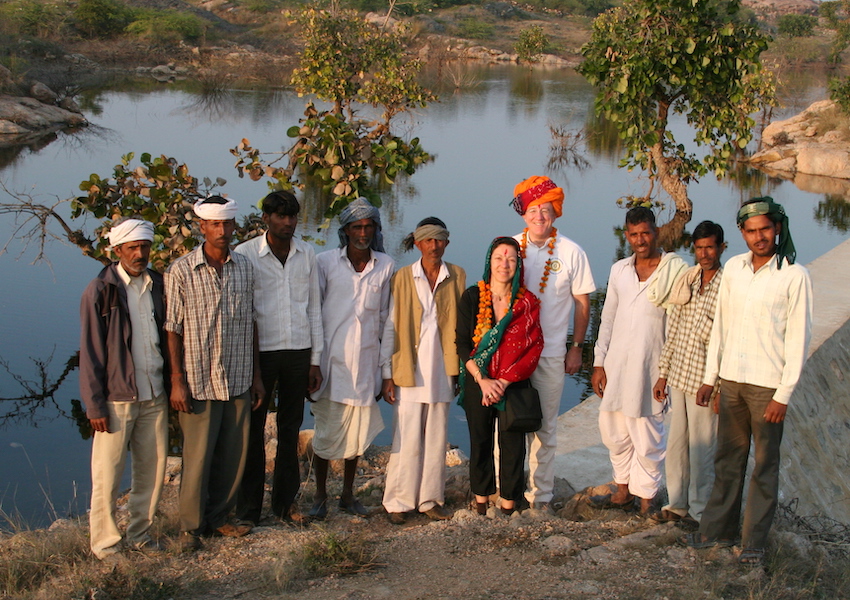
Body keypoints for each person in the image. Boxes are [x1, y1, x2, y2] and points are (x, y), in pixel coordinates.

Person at [684, 197, 812, 567]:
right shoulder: (736, 269)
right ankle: (716, 533)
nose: (759, 237)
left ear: (777, 229)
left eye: (765, 230)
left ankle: (753, 543)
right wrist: (712, 379)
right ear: (742, 233)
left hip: (767, 387)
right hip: (733, 382)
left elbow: (798, 339)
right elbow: (721, 326)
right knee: (728, 460)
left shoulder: (793, 275)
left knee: (764, 466)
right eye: (752, 231)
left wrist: (783, 394)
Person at [165, 196, 265, 552]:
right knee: (197, 458)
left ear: (234, 226)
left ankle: (220, 517)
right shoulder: (181, 270)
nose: (222, 231)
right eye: (215, 225)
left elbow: (252, 322)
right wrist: (177, 379)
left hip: (237, 376)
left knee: (233, 455)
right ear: (202, 227)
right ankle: (191, 527)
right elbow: (172, 328)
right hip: (198, 380)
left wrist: (256, 376)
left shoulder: (244, 267)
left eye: (227, 224)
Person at [79, 218, 168, 559]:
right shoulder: (100, 290)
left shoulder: (157, 284)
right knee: (107, 476)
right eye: (132, 248)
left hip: (154, 393)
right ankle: (105, 544)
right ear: (117, 251)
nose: (140, 253)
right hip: (117, 399)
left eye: (144, 247)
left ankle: (141, 535)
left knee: (153, 470)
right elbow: (90, 353)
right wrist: (94, 406)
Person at [233, 190, 323, 526]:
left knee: (290, 429)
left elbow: (314, 307)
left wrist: (315, 360)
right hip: (260, 355)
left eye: (292, 217)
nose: (287, 223)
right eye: (280, 217)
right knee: (252, 431)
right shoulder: (245, 255)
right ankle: (248, 511)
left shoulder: (307, 254)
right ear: (266, 219)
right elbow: (243, 314)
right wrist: (252, 368)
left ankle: (285, 506)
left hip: (298, 351)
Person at [591, 207, 686, 515]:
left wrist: (665, 373)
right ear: (627, 235)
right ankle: (622, 491)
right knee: (614, 429)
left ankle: (647, 498)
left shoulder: (673, 270)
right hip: (616, 364)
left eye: (645, 233)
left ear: (655, 232)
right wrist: (598, 362)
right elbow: (607, 318)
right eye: (634, 234)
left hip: (651, 367)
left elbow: (677, 324)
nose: (640, 240)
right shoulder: (620, 270)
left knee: (648, 434)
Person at [510, 176, 595, 510]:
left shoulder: (572, 252)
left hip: (552, 353)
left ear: (556, 213)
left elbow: (583, 304)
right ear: (524, 214)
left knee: (546, 426)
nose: (540, 216)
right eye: (533, 209)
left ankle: (541, 496)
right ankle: (509, 491)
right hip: (514, 355)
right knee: (512, 424)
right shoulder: (509, 248)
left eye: (546, 209)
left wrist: (577, 347)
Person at [311, 197, 394, 520]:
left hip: (365, 365)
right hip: (330, 365)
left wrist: (386, 373)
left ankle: (347, 496)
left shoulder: (385, 265)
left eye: (368, 226)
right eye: (357, 227)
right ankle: (319, 495)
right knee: (325, 432)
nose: (363, 232)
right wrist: (313, 363)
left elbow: (387, 321)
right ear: (345, 231)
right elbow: (315, 314)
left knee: (357, 437)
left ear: (375, 229)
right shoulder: (325, 263)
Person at [380, 217, 466, 524]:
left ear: (447, 242)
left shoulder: (456, 275)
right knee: (405, 436)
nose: (434, 246)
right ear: (418, 244)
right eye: (428, 240)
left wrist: (461, 373)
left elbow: (462, 326)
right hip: (408, 370)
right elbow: (390, 326)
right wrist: (386, 373)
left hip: (443, 370)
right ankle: (397, 502)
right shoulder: (403, 277)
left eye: (439, 240)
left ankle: (430, 499)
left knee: (437, 436)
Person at [456, 237, 544, 515]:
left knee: (512, 445)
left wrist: (504, 381)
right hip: (478, 383)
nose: (504, 264)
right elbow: (461, 345)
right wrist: (483, 381)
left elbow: (534, 346)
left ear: (518, 264)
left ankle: (508, 503)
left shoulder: (527, 303)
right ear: (488, 262)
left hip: (514, 384)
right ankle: (481, 500)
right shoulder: (472, 296)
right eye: (498, 258)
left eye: (510, 259)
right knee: (480, 441)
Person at [651, 221, 726, 526]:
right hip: (681, 375)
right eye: (699, 248)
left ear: (722, 247)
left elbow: (728, 339)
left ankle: (699, 511)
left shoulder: (728, 285)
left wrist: (718, 385)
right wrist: (663, 374)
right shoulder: (689, 279)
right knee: (677, 444)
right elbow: (675, 328)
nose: (704, 254)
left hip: (705, 384)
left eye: (710, 247)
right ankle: (677, 504)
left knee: (702, 450)